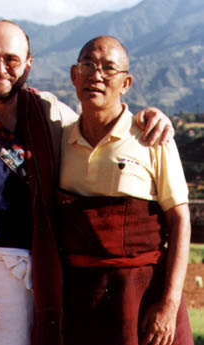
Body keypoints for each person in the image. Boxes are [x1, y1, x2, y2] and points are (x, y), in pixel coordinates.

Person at [0, 20, 175, 345]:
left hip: (47, 278)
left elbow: (99, 128)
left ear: (28, 63)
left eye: (11, 60)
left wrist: (149, 118)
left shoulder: (50, 113)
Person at [57, 35, 193, 345]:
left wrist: (169, 305)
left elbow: (180, 221)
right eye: (87, 64)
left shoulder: (152, 137)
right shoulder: (58, 139)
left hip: (142, 296)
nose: (96, 75)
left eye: (109, 68)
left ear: (127, 82)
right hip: (81, 300)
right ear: (74, 76)